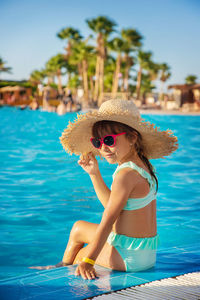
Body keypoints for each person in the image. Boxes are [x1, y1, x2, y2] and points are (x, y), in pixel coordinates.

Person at [30, 99, 178, 280]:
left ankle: (59, 272)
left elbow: (108, 220)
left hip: (128, 259)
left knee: (79, 256)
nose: (103, 148)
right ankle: (61, 265)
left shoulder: (125, 174)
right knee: (78, 228)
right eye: (97, 142)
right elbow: (114, 204)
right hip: (145, 255)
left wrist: (89, 259)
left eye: (109, 140)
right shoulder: (144, 166)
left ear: (132, 137)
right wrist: (94, 174)